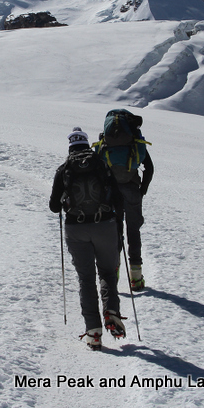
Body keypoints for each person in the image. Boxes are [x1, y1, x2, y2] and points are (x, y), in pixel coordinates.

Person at [49, 127, 126, 350]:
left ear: (70, 146)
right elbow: (118, 199)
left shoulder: (64, 170)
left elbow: (54, 207)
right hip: (105, 226)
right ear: (86, 144)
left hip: (76, 228)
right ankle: (111, 311)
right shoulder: (102, 165)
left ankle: (93, 332)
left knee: (86, 279)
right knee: (107, 272)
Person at [93, 109, 154, 292]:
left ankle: (114, 273)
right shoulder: (134, 142)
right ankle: (136, 277)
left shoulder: (105, 142)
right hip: (132, 188)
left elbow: (97, 168)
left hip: (112, 191)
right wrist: (142, 190)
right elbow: (149, 168)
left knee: (115, 231)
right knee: (133, 230)